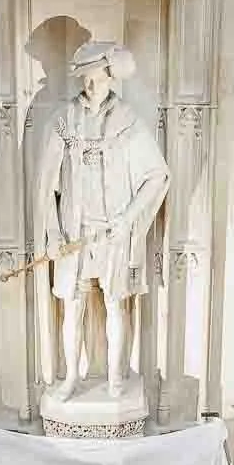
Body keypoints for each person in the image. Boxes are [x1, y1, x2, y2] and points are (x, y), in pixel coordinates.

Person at [33, 40, 170, 397]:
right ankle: (70, 378)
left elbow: (158, 175)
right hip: (73, 231)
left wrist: (127, 219)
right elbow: (46, 184)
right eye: (86, 79)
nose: (90, 86)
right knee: (72, 305)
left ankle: (114, 377)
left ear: (111, 77)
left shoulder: (128, 122)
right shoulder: (64, 120)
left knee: (114, 302)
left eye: (97, 78)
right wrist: (52, 233)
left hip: (111, 234)